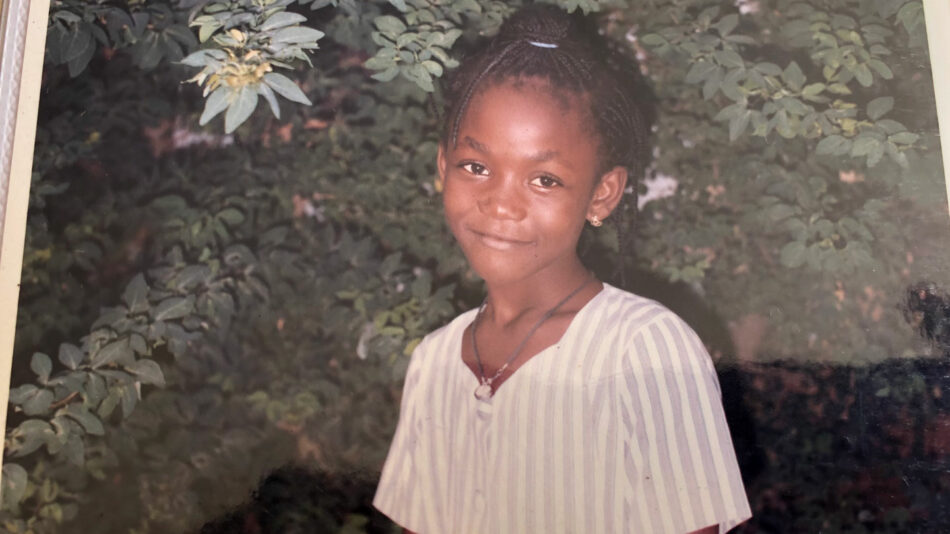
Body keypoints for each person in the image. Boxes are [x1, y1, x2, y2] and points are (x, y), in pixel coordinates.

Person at [373, 4, 752, 533]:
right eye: (476, 167)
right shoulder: (435, 361)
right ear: (443, 169)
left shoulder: (643, 348)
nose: (501, 205)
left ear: (602, 194)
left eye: (544, 179)